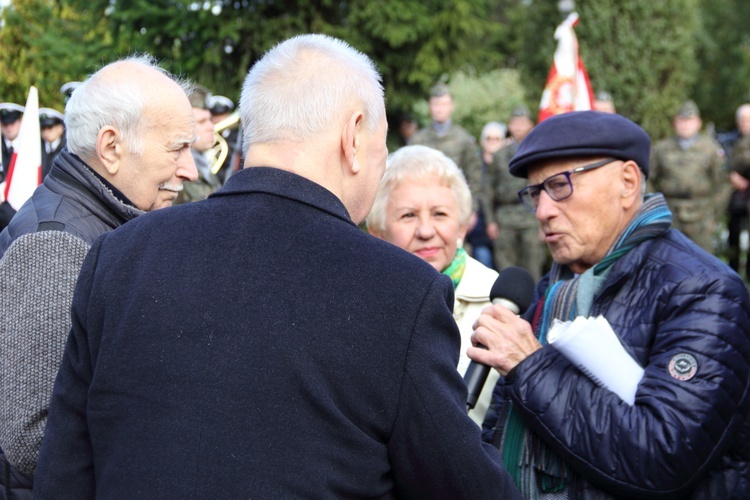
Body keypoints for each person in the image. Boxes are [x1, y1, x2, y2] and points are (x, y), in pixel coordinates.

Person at [34, 34, 519, 499]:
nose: (380, 162)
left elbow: (64, 475)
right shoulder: (400, 292)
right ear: (353, 137)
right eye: (382, 146)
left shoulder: (118, 256)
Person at [470, 110, 750, 497]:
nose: (544, 211)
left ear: (627, 182)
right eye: (535, 193)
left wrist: (530, 366)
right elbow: (502, 424)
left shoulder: (703, 290)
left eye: (560, 185)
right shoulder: (553, 286)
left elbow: (663, 456)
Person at [0, 54, 198, 496]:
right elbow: (34, 441)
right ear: (111, 148)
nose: (190, 169)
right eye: (177, 148)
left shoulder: (88, 228)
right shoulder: (55, 245)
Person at [367, 144, 500, 425]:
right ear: (377, 232)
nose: (426, 231)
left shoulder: (501, 303)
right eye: (408, 215)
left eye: (440, 214)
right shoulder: (358, 304)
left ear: (462, 226)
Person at [649, 100, 728, 253]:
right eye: (681, 120)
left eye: (689, 120)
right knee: (667, 257)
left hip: (701, 215)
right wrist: (656, 208)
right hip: (670, 213)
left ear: (698, 123)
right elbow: (648, 179)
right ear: (675, 123)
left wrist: (714, 214)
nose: (685, 125)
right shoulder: (661, 148)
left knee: (702, 262)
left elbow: (724, 183)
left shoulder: (711, 149)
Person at [485, 105, 547, 280]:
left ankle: (535, 307)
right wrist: (490, 221)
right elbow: (488, 190)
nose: (518, 126)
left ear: (531, 125)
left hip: (531, 217)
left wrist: (544, 223)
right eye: (514, 122)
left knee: (533, 269)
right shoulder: (499, 155)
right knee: (506, 270)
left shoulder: (537, 153)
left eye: (522, 122)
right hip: (504, 217)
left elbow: (545, 188)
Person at [410, 83, 484, 211]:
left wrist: (472, 210)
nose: (439, 109)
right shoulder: (417, 140)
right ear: (430, 107)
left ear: (451, 106)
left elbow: (475, 176)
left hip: (455, 204)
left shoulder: (463, 138)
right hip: (423, 204)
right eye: (436, 104)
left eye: (444, 104)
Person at [174, 86, 222, 203]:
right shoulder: (176, 171)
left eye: (210, 120)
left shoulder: (204, 166)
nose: (211, 127)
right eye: (202, 121)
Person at [718, 103, 750, 280]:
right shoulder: (728, 140)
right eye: (742, 119)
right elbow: (720, 165)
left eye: (748, 120)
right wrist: (732, 176)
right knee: (734, 236)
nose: (745, 123)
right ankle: (733, 274)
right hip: (735, 197)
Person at [0, 102, 24, 183]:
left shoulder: (28, 147)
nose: (9, 127)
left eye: (12, 123)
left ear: (20, 122)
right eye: (5, 124)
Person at [39, 107, 66, 178]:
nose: (46, 131)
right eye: (43, 128)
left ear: (60, 128)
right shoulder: (37, 149)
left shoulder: (67, 150)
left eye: (50, 127)